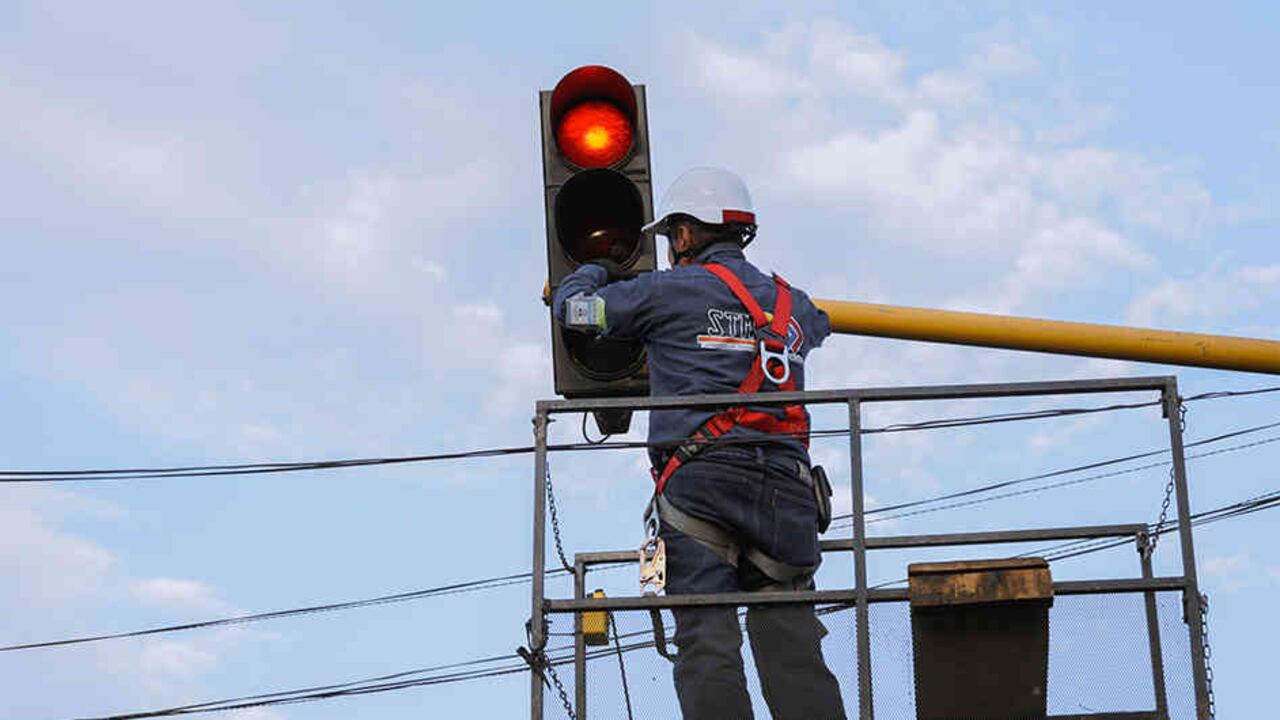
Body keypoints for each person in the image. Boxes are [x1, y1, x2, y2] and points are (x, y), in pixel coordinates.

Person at [553, 167, 846, 720]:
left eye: (670, 238)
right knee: (792, 647)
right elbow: (823, 323)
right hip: (787, 497)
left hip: (701, 486)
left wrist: (594, 270)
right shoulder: (793, 307)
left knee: (708, 641)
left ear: (686, 234)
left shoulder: (667, 291)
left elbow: (576, 312)